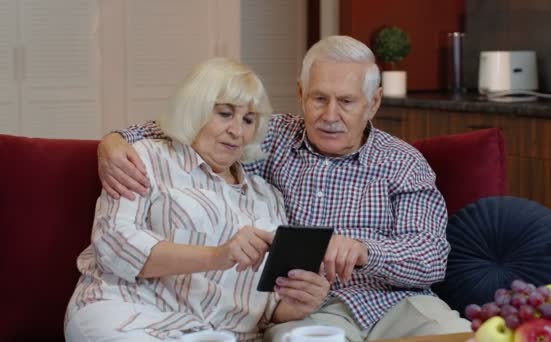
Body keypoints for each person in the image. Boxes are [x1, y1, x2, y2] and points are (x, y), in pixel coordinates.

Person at [97, 36, 471, 341]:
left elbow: (432, 257)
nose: (329, 116)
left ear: (372, 103)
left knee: (463, 337)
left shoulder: (402, 163)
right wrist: (113, 141)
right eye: (319, 98)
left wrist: (365, 251)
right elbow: (194, 125)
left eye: (346, 102)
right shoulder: (269, 136)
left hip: (398, 303)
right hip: (308, 307)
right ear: (300, 94)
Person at [65, 58, 330, 341]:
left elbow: (267, 308)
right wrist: (217, 256)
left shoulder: (266, 197)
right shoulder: (147, 158)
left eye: (248, 120)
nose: (237, 131)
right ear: (195, 110)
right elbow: (114, 244)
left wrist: (297, 303)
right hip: (129, 315)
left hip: (219, 334)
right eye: (225, 114)